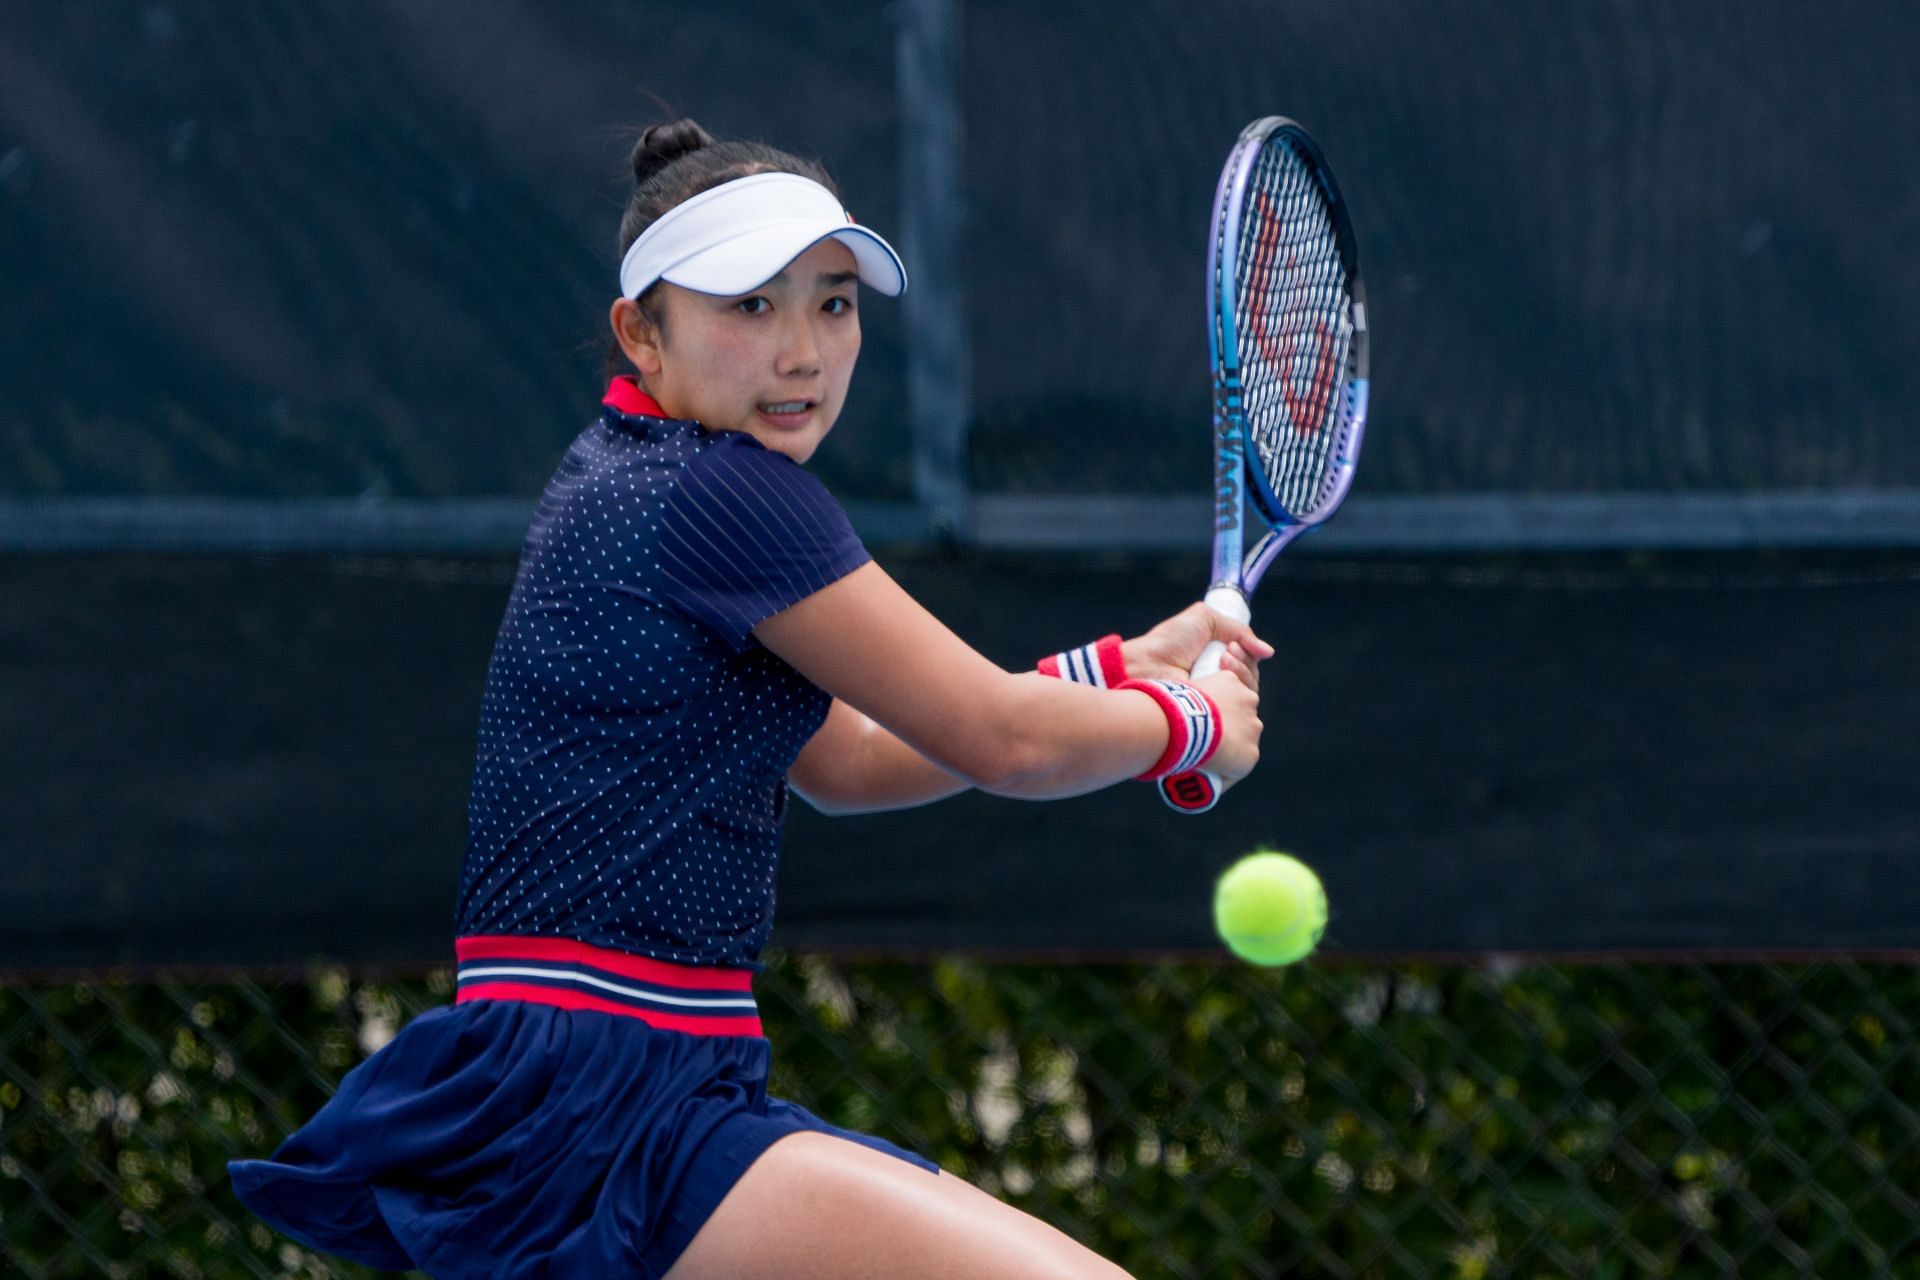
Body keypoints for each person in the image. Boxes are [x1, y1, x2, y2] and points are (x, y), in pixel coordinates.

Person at [228, 118, 1270, 1280]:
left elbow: (854, 756)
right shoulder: (727, 496)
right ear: (643, 333)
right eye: (749, 304)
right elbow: (1002, 738)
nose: (803, 351)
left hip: (626, 1076)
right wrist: (1193, 726)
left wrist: (1130, 664)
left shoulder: (624, 471)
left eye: (832, 303)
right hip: (608, 1096)